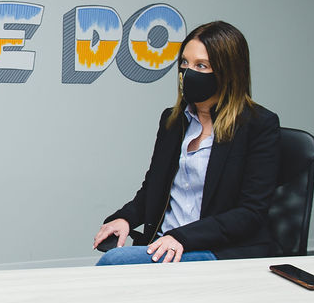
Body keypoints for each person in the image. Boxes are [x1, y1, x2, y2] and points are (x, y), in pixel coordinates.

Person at [92, 21, 280, 265]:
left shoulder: (258, 125)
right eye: (184, 63)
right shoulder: (173, 121)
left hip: (214, 247)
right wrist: (124, 218)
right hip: (164, 242)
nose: (188, 73)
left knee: (114, 262)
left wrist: (181, 237)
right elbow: (153, 189)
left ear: (229, 71)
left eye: (201, 65)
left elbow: (250, 213)